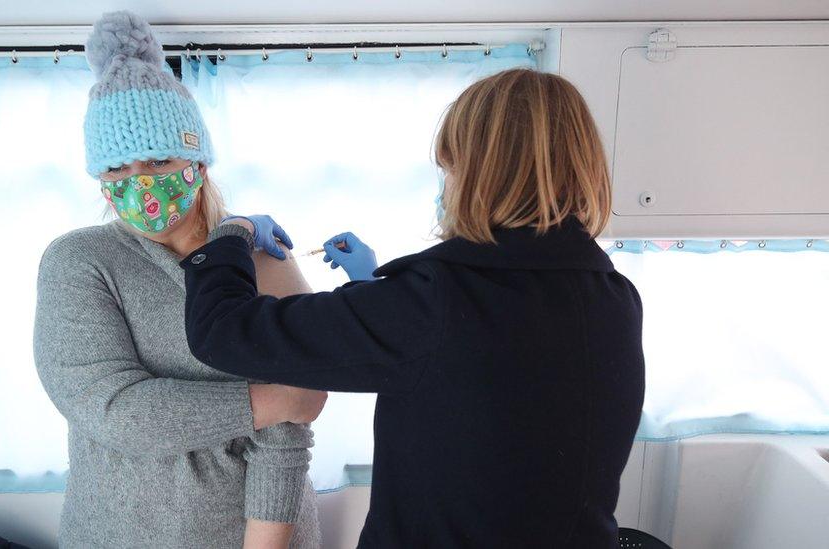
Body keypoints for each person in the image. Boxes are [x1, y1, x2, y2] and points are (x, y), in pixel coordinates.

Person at [179, 68, 646, 548]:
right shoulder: (615, 297)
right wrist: (374, 286)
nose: (446, 184)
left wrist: (229, 238)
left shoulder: (432, 302)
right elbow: (492, 380)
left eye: (450, 167)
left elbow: (222, 332)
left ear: (481, 171)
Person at [33, 11, 324, 549]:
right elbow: (117, 411)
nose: (139, 182)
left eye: (160, 159)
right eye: (117, 169)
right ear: (100, 179)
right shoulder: (78, 263)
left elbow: (289, 434)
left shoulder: (263, 259)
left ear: (198, 162)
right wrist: (270, 399)